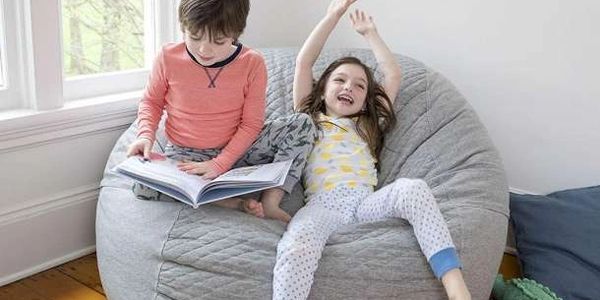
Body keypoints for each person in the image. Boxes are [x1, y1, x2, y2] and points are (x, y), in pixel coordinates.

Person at [272, 0, 471, 299]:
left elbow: (392, 75)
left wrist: (370, 33)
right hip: (323, 205)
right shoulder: (309, 119)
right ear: (322, 89)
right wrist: (332, 16)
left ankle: (456, 286)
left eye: (359, 86)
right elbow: (304, 62)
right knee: (297, 242)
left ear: (367, 100)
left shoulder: (368, 124)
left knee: (413, 189)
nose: (348, 88)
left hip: (367, 203)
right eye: (339, 80)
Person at [127, 0, 316, 222]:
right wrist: (145, 135)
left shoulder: (252, 63)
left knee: (302, 124)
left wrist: (220, 164)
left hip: (241, 148)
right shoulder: (167, 57)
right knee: (142, 187)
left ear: (236, 34)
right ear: (183, 27)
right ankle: (230, 202)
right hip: (188, 154)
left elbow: (251, 124)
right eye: (195, 37)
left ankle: (270, 202)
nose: (204, 50)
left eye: (219, 41)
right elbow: (151, 101)